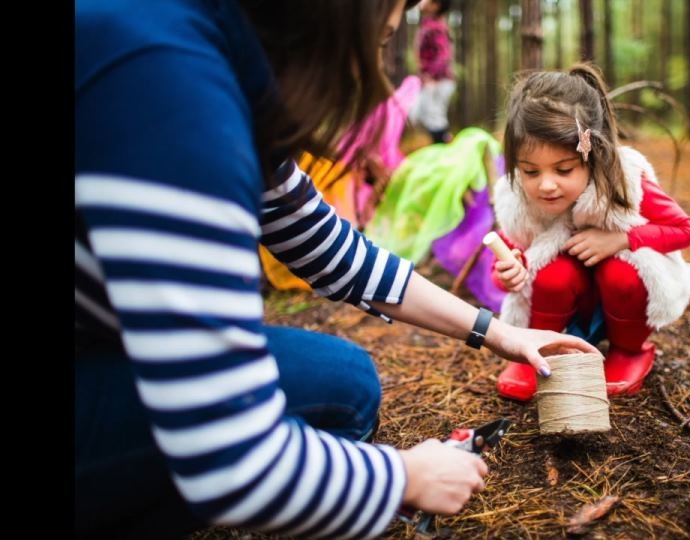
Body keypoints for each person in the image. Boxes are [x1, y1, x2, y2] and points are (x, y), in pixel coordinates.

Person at [74, 1, 598, 538]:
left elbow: (328, 247)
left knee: (344, 387)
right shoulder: (171, 87)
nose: (373, 71)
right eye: (380, 41)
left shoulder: (216, 64)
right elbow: (231, 457)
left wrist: (499, 333)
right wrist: (398, 478)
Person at [488, 63, 690, 402]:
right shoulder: (516, 197)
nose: (546, 185)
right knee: (552, 275)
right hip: (570, 298)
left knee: (621, 275)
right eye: (530, 171)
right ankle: (543, 346)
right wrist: (507, 272)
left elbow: (682, 230)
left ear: (591, 153)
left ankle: (629, 351)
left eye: (564, 169)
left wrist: (623, 239)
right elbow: (513, 252)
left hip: (623, 299)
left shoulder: (625, 180)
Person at [413, 0, 456, 144]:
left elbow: (444, 56)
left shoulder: (436, 27)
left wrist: (432, 76)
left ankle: (445, 150)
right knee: (426, 114)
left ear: (436, 5)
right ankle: (443, 146)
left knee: (434, 116)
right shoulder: (430, 24)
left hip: (439, 80)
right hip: (434, 80)